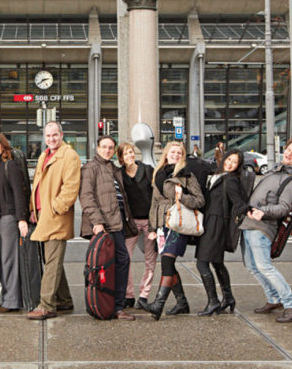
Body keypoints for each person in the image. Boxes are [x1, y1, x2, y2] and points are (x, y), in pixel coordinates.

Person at [243, 138, 292, 323]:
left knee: (265, 267)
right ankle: (274, 299)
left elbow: (284, 207)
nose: (289, 153)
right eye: (289, 150)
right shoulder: (275, 171)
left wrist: (262, 212)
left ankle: (291, 304)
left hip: (262, 226)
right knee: (252, 266)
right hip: (248, 223)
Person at [26, 121, 82, 320]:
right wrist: (33, 208)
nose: (51, 139)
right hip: (43, 216)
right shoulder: (44, 155)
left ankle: (47, 305)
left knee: (51, 263)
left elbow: (71, 187)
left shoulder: (69, 155)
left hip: (56, 217)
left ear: (61, 134)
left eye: (55, 135)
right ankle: (64, 300)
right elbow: (38, 185)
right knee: (52, 260)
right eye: (48, 136)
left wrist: (56, 208)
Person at [79, 136, 137, 321]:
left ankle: (116, 306)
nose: (107, 150)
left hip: (118, 221)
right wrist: (97, 222)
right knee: (108, 265)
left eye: (110, 148)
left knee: (121, 262)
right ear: (97, 148)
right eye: (104, 147)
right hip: (104, 224)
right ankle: (109, 305)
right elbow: (86, 197)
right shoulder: (90, 168)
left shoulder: (113, 169)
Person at [146, 141, 205, 321]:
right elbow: (154, 202)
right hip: (163, 224)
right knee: (168, 264)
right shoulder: (159, 172)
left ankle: (158, 304)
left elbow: (200, 200)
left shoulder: (187, 175)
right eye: (173, 152)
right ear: (166, 153)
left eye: (179, 153)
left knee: (166, 263)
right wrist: (152, 227)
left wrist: (183, 197)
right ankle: (182, 302)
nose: (176, 155)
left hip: (178, 223)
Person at [197, 149, 248, 315]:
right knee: (217, 262)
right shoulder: (218, 175)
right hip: (211, 221)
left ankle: (213, 301)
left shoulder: (231, 180)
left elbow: (239, 203)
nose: (230, 163)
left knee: (202, 262)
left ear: (238, 166)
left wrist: (251, 211)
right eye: (229, 160)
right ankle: (228, 297)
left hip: (217, 223)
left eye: (235, 162)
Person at [0, 133, 31, 314]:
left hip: (9, 217)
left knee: (8, 259)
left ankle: (12, 300)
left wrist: (22, 219)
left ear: (4, 147)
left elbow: (19, 194)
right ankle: (9, 296)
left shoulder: (9, 165)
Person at [118, 141, 157, 310]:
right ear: (120, 158)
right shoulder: (119, 174)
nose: (130, 156)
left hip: (149, 221)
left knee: (150, 260)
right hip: (130, 223)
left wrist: (155, 225)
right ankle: (129, 295)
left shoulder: (147, 170)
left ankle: (144, 295)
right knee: (125, 259)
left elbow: (156, 197)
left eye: (131, 152)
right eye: (126, 153)